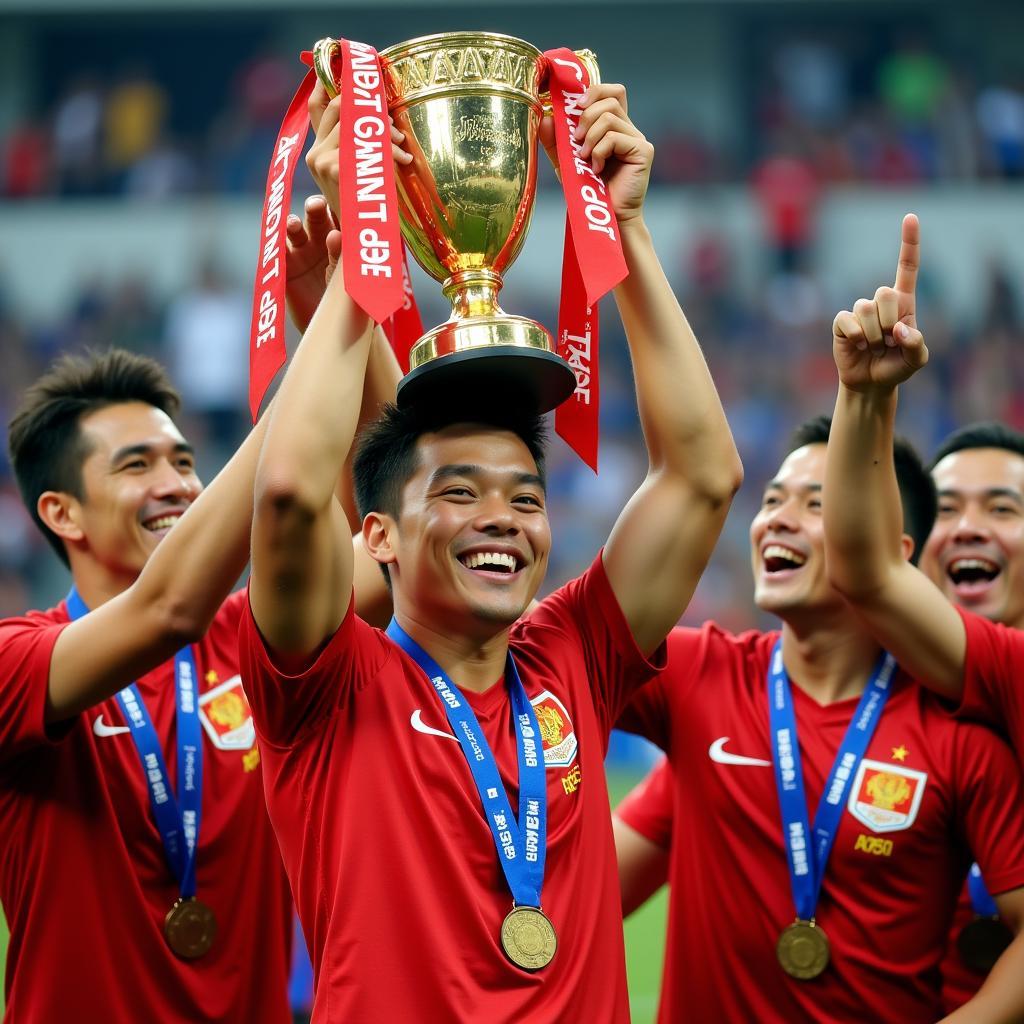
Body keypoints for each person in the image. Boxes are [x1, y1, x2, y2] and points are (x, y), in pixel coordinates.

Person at [239, 79, 742, 1022]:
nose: (503, 517)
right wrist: (363, 263)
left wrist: (620, 229)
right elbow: (287, 493)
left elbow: (702, 477)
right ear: (377, 536)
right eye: (459, 493)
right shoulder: (323, 684)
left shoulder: (571, 659)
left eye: (525, 496)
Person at [0, 197, 395, 1021]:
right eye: (137, 466)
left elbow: (396, 553)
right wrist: (326, 335)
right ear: (61, 514)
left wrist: (359, 311)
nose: (179, 484)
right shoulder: (19, 659)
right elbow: (167, 608)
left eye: (184, 459)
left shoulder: (247, 638)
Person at [615, 401, 1024, 1022]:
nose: (778, 520)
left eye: (817, 504)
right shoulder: (706, 682)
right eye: (773, 500)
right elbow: (552, 649)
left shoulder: (960, 736)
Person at [822, 217, 1024, 1020]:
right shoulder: (859, 698)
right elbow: (866, 572)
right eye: (948, 508)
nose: (967, 526)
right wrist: (866, 395)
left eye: (1002, 507)